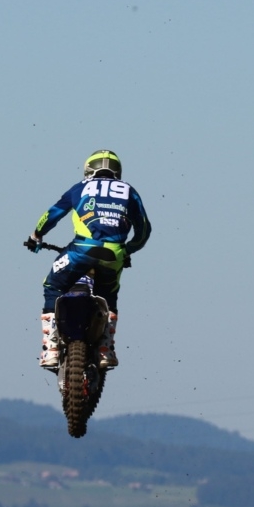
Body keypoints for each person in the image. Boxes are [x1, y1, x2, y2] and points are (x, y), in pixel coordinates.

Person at [25, 150, 151, 369]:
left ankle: (51, 348)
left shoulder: (80, 187)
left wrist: (36, 237)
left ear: (88, 169)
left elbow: (52, 214)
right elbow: (144, 230)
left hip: (82, 249)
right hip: (114, 254)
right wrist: (127, 250)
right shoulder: (129, 191)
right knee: (109, 295)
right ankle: (106, 349)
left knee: (52, 285)